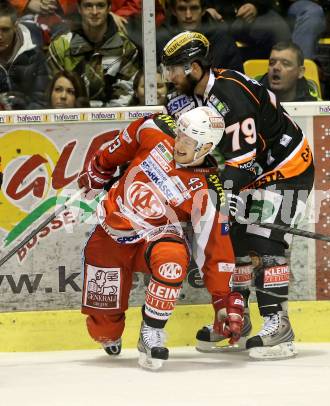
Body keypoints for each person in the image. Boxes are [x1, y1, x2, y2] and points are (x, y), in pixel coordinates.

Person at [161, 31, 315, 360]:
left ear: (195, 68)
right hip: (254, 170)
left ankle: (278, 323)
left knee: (265, 238)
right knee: (236, 240)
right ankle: (238, 318)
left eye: (175, 69)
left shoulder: (231, 95)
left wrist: (224, 197)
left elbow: (242, 162)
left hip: (287, 168)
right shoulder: (189, 99)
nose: (170, 76)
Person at [77, 107, 245, 370]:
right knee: (103, 330)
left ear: (206, 147)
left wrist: (222, 299)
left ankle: (151, 332)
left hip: (157, 236)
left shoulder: (208, 190)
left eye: (187, 142)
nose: (178, 144)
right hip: (113, 230)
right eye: (178, 135)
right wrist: (100, 168)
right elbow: (123, 142)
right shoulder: (155, 128)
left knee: (173, 261)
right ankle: (108, 332)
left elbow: (214, 248)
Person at [47, 0, 140, 107]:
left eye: (100, 5)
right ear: (79, 8)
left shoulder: (126, 48)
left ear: (109, 8)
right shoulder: (60, 47)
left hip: (113, 120)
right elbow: (56, 97)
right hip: (69, 119)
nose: (94, 12)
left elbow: (125, 96)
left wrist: (102, 119)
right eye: (88, 6)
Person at [156, 0, 243, 72]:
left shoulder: (223, 39)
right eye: (182, 9)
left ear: (203, 10)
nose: (188, 15)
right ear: (173, 11)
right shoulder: (161, 39)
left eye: (194, 8)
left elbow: (237, 81)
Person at [0, 1, 49, 109]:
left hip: (28, 122)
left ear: (15, 27)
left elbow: (41, 102)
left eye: (5, 30)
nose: (0, 36)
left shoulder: (34, 55)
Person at [205, 0, 291, 59]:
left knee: (278, 28)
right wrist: (207, 9)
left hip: (251, 14)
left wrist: (254, 5)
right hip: (213, 17)